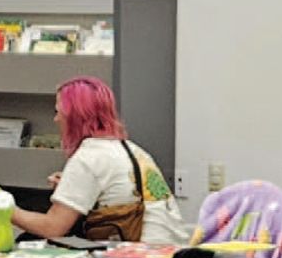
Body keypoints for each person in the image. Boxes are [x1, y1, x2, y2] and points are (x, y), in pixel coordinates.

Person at [11, 76, 189, 243]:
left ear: (74, 117)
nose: (55, 119)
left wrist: (6, 209)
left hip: (138, 257)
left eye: (58, 112)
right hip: (172, 252)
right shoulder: (132, 149)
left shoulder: (88, 157)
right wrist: (73, 186)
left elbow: (52, 227)